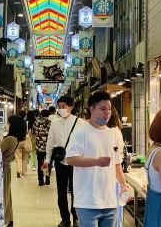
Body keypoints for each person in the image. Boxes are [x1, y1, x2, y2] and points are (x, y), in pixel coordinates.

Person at [65, 91, 129, 227]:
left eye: (109, 109)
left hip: (110, 201)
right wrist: (96, 161)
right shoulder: (81, 132)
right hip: (87, 202)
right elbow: (70, 159)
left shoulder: (113, 134)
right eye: (103, 109)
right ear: (92, 109)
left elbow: (116, 164)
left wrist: (123, 185)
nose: (107, 113)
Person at [43, 96, 88, 227]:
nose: (61, 109)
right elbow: (50, 143)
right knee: (61, 192)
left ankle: (76, 218)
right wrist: (47, 160)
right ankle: (65, 219)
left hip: (76, 163)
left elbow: (85, 143)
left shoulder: (80, 123)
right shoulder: (55, 123)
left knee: (76, 192)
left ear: (71, 107)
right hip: (60, 162)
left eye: (64, 106)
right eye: (59, 107)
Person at [1, 115, 27, 226]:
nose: (7, 125)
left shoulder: (10, 139)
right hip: (6, 169)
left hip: (2, 170)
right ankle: (9, 219)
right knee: (7, 194)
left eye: (9, 123)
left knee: (3, 195)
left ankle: (5, 219)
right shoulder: (15, 139)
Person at [107, 106, 125, 227]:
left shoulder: (104, 131)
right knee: (115, 214)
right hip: (113, 180)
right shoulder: (115, 132)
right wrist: (124, 184)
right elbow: (116, 162)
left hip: (107, 179)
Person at [33, 109, 52, 186]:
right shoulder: (51, 123)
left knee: (40, 162)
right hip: (49, 147)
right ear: (49, 115)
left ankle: (40, 180)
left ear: (41, 114)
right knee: (48, 162)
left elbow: (34, 132)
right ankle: (47, 178)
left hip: (39, 146)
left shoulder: (36, 122)